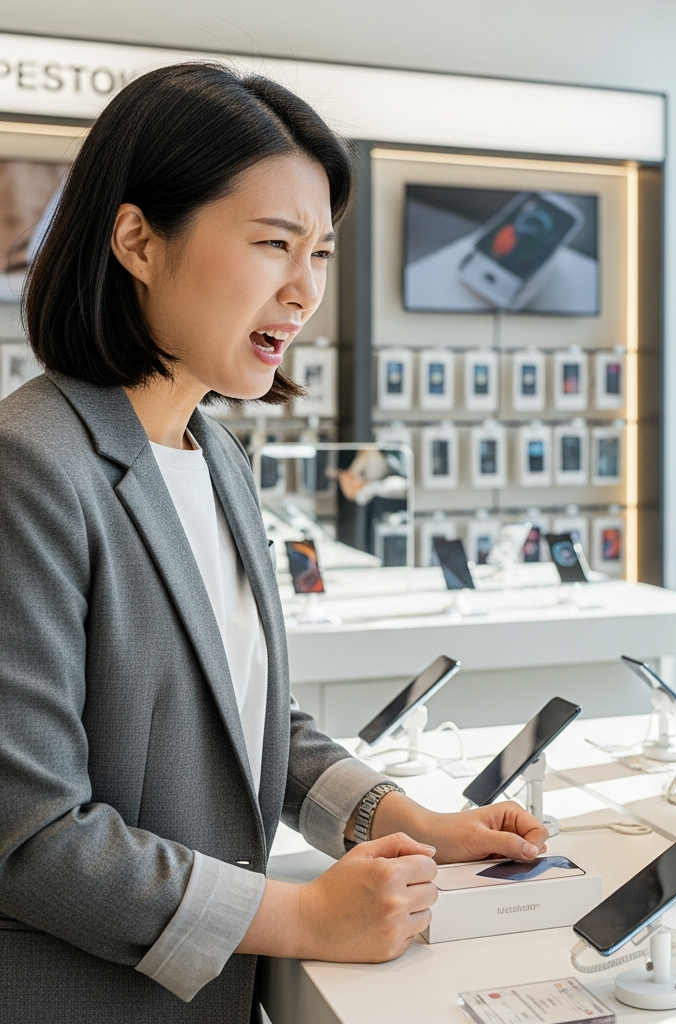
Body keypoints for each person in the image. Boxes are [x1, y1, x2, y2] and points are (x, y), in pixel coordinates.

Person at [0, 63, 547, 1024]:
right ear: (136, 239)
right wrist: (300, 916)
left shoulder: (215, 453)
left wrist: (411, 823)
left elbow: (252, 722)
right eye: (272, 244)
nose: (303, 291)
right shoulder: (33, 466)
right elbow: (30, 834)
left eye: (322, 254)